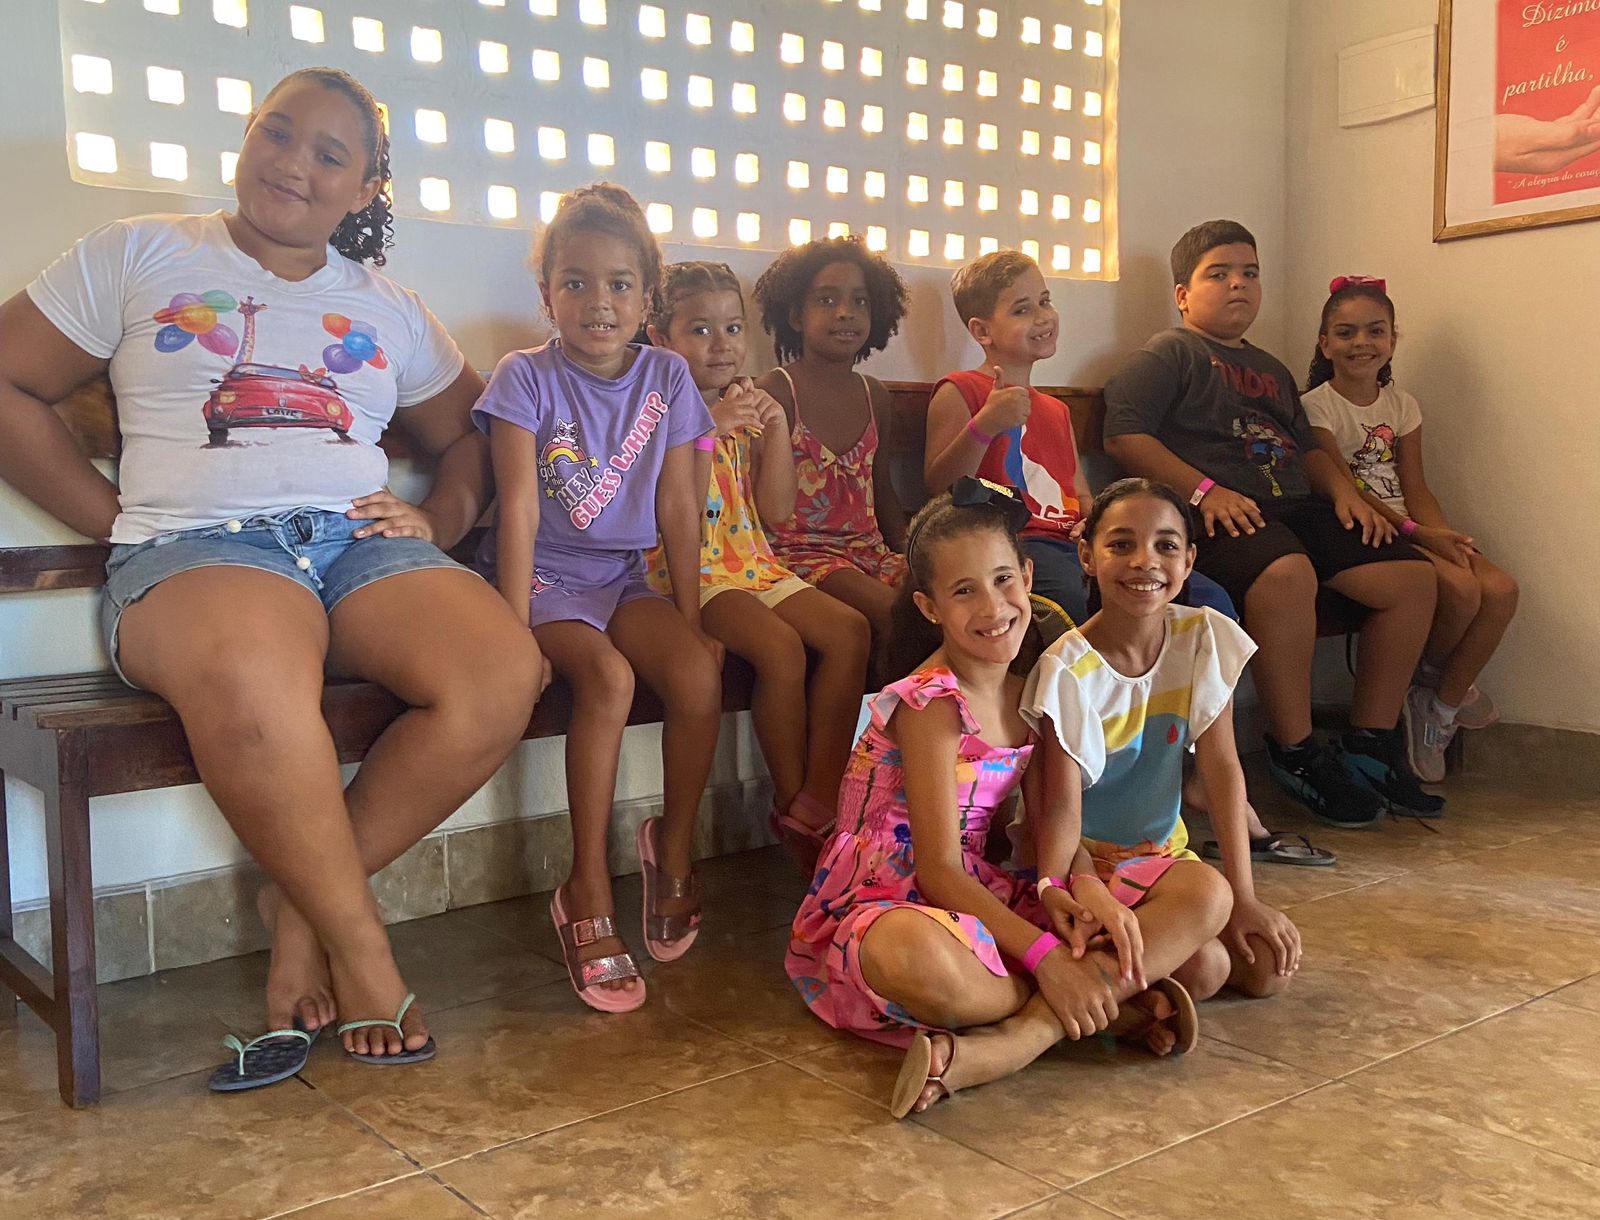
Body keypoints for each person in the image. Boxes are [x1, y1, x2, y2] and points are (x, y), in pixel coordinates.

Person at [0, 68, 547, 1084]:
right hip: (200, 552)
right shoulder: (142, 249)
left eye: (329, 154)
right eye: (277, 132)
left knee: (502, 671)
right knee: (255, 679)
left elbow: (471, 435)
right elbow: (5, 375)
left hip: (359, 547)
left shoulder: (388, 306)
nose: (293, 163)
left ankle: (298, 905)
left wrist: (440, 516)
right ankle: (365, 952)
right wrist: (111, 520)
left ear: (365, 187)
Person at [786, 479, 1230, 1119]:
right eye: (964, 591)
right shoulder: (930, 703)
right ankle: (1107, 1006)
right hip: (889, 900)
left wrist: (1079, 888)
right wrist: (1047, 958)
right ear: (930, 606)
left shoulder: (1031, 693)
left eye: (1002, 580)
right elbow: (937, 869)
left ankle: (1025, 1037)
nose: (992, 607)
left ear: (1027, 577)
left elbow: (1053, 822)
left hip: (979, 892)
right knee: (916, 959)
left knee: (1206, 914)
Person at [1103, 220, 1442, 827]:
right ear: (1183, 295)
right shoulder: (1167, 355)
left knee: (1412, 580)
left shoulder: (1272, 368)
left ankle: (1371, 746)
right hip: (1217, 515)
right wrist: (1205, 490)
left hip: (1295, 506)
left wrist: (1346, 494)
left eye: (1249, 273)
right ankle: (1296, 752)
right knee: (1287, 573)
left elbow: (1307, 448)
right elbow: (1125, 436)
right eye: (1219, 274)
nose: (1238, 283)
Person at [474, 183, 719, 1014]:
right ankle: (585, 886)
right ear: (547, 295)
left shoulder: (668, 376)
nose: (598, 303)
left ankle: (672, 853)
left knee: (695, 675)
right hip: (544, 580)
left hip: (619, 577)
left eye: (619, 284)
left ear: (649, 299)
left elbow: (680, 505)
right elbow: (517, 509)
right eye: (575, 283)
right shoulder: (524, 378)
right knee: (609, 680)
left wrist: (690, 621)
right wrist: (513, 638)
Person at [1020, 479, 1303, 1032]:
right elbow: (1059, 810)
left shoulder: (1202, 638)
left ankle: (1129, 991)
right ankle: (1067, 1008)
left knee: (1267, 969)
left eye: (1166, 545)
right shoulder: (1066, 670)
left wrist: (1245, 897)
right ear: (1087, 556)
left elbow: (1222, 769)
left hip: (1164, 864)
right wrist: (1066, 888)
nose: (1144, 562)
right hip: (1087, 867)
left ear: (1189, 560)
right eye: (1121, 545)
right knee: (1207, 966)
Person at [643, 261, 871, 872]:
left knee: (850, 631)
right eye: (700, 330)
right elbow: (675, 508)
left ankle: (821, 793)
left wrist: (775, 434)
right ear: (660, 336)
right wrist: (704, 430)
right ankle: (795, 806)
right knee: (780, 648)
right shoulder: (651, 407)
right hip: (687, 572)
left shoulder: (743, 404)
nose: (721, 345)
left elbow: (776, 511)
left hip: (753, 563)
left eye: (733, 328)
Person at [924, 248, 1236, 625]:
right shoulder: (960, 390)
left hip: (1075, 546)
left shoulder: (1056, 410)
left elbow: (1081, 495)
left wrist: (1094, 523)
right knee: (1075, 598)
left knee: (1209, 598)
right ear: (982, 331)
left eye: (1044, 301)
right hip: (1014, 545)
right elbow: (941, 487)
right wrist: (986, 425)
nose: (1042, 316)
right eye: (1022, 309)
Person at [1302, 276, 1517, 782]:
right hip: (1371, 528)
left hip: (1415, 524)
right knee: (1461, 590)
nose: (1362, 343)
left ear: (1393, 340)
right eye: (1346, 332)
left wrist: (1446, 538)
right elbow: (1347, 488)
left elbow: (1415, 485)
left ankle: (1436, 704)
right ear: (1325, 343)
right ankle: (1440, 685)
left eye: (1375, 331)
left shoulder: (1403, 405)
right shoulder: (1316, 407)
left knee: (1501, 589)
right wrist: (1420, 535)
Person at [753, 237, 909, 642]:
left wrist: (911, 554)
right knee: (899, 614)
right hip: (799, 556)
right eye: (826, 300)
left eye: (860, 301)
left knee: (945, 597)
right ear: (795, 315)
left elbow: (882, 489)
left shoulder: (875, 395)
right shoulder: (776, 391)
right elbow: (753, 501)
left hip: (870, 552)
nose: (845, 312)